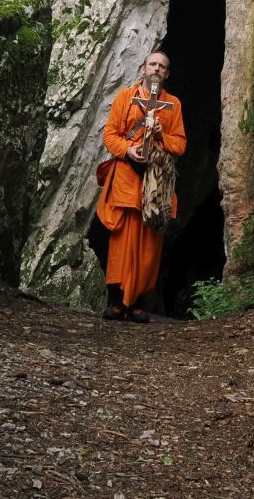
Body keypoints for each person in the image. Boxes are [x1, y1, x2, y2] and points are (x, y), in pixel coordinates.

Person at [94, 50, 187, 323]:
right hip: (126, 178)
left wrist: (161, 134)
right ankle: (116, 302)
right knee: (122, 242)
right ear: (143, 69)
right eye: (153, 64)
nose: (157, 69)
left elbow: (180, 144)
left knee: (149, 244)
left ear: (167, 74)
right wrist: (128, 150)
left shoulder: (173, 104)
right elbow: (110, 135)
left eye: (162, 66)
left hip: (156, 184)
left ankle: (137, 304)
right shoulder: (125, 97)